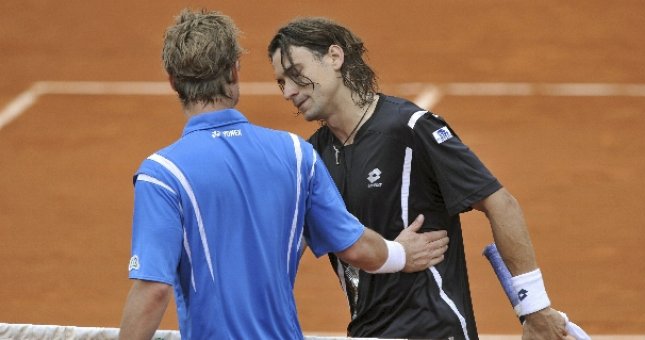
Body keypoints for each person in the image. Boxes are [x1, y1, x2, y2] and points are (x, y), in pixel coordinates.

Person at [118, 9, 449, 340]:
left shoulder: (162, 174)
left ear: (173, 81)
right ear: (234, 72)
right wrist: (401, 253)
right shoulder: (295, 154)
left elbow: (152, 291)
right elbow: (356, 247)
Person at [268, 17, 575, 340]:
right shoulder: (311, 157)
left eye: (295, 73)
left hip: (433, 328)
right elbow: (280, 249)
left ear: (334, 57)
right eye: (280, 82)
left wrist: (536, 308)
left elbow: (501, 204)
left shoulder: (411, 128)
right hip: (368, 332)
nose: (288, 91)